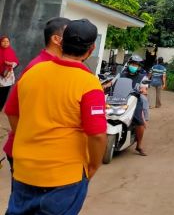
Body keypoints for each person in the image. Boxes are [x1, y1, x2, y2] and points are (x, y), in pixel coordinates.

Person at [4, 19, 107, 214]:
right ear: (91, 49)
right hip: (64, 178)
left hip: (25, 170)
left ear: (62, 42)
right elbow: (97, 135)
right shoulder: (89, 84)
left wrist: (27, 137)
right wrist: (94, 165)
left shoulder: (33, 72)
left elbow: (12, 112)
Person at [2, 17, 70, 171]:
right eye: (70, 35)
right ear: (56, 39)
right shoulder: (41, 67)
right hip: (29, 155)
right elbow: (12, 110)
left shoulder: (55, 65)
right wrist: (28, 143)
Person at [116, 55, 149, 156]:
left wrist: (142, 90)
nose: (133, 66)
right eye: (132, 64)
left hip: (134, 100)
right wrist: (104, 85)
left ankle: (139, 146)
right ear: (129, 64)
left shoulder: (142, 77)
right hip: (118, 99)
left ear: (139, 67)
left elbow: (144, 89)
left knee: (139, 122)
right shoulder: (121, 74)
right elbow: (112, 82)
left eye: (136, 64)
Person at [0, 36, 19, 110]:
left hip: (7, 76)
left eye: (7, 41)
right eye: (3, 41)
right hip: (0, 76)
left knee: (5, 92)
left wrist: (11, 63)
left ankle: (0, 107)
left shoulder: (11, 51)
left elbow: (16, 62)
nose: (5, 43)